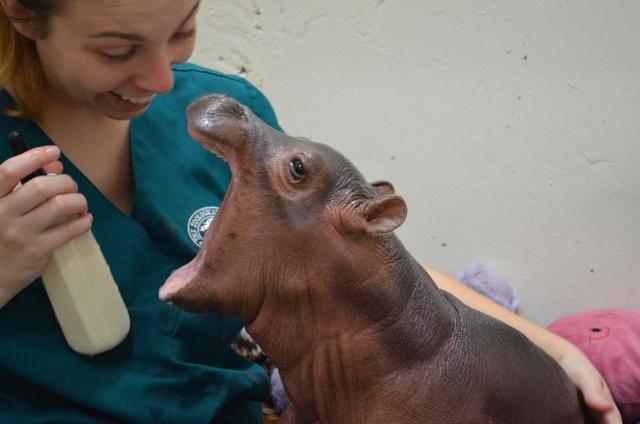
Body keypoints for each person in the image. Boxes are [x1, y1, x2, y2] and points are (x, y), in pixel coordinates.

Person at [0, 0, 622, 423]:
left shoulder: (222, 113)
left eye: (183, 27)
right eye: (117, 51)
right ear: (23, 12)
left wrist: (546, 349)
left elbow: (346, 258)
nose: (163, 76)